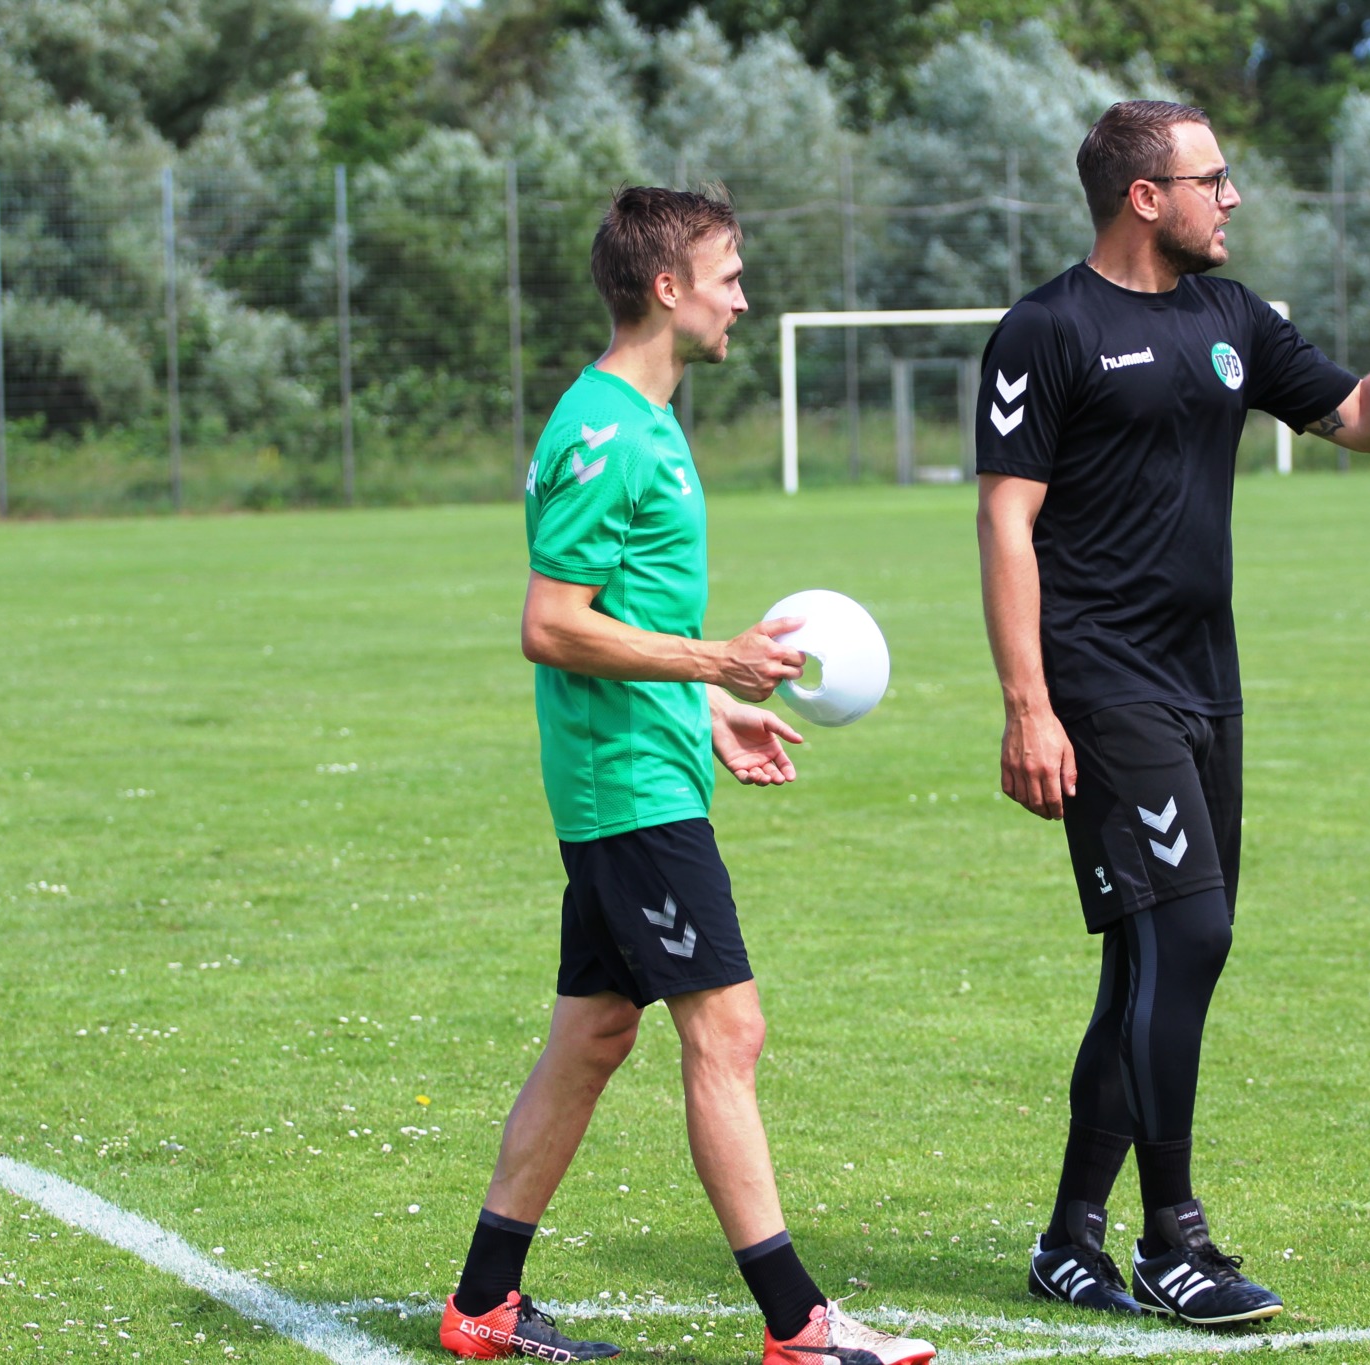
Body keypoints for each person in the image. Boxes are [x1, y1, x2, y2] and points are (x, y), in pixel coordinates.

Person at [975, 100, 1370, 1327]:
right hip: (1099, 681)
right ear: (1143, 197)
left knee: (1152, 957)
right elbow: (1005, 520)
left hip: (1207, 684)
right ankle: (1173, 1240)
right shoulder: (1045, 329)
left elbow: (1364, 421)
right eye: (1210, 179)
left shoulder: (1232, 318)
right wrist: (1027, 707)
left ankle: (1067, 1237)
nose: (1231, 197)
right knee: (1189, 938)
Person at [438, 185, 934, 1365]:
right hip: (627, 795)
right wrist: (718, 660)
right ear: (667, 288)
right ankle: (799, 1325)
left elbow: (623, 617)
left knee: (594, 1035)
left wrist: (708, 707)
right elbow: (552, 625)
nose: (742, 299)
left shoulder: (645, 422)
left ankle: (483, 1303)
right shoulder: (604, 433)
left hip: (648, 764)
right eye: (729, 276)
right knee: (728, 1031)